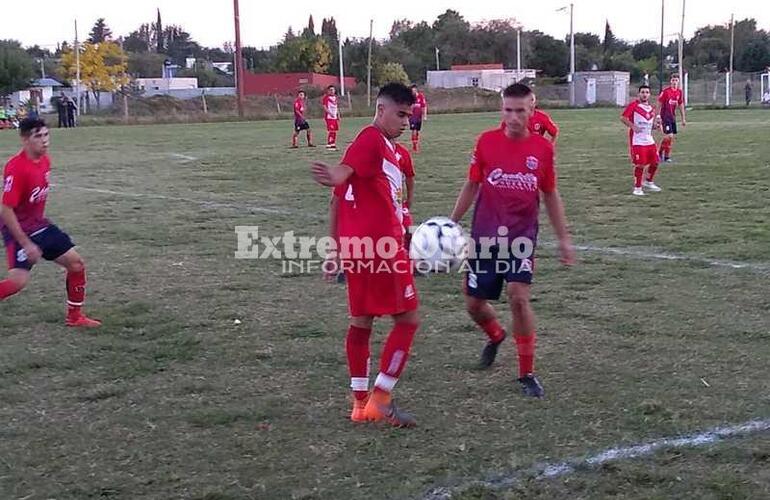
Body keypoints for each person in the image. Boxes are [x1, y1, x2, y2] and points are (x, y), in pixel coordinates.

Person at [449, 83, 575, 398]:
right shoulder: (486, 142)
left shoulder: (543, 150)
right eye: (508, 110)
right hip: (485, 236)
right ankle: (495, 335)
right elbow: (472, 185)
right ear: (501, 110)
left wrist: (563, 238)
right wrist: (450, 223)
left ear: (533, 110)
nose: (514, 117)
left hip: (521, 236)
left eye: (521, 110)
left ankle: (526, 373)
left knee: (518, 297)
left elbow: (550, 194)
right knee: (475, 304)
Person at [311, 83, 420, 427]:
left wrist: (334, 249)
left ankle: (359, 405)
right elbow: (341, 177)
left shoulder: (384, 148)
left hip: (358, 248)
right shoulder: (371, 140)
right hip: (382, 248)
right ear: (381, 108)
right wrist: (333, 174)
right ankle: (381, 399)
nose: (405, 121)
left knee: (361, 322)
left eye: (409, 115)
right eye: (400, 114)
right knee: (408, 319)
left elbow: (338, 199)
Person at [0, 118, 101, 327]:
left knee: (76, 264)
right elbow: (5, 209)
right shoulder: (17, 168)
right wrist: (26, 244)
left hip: (39, 225)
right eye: (38, 136)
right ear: (25, 139)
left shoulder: (45, 161)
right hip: (19, 229)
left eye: (47, 135)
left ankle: (75, 317)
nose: (45, 141)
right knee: (17, 283)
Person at [621, 85, 662, 196]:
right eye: (642, 92)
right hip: (638, 141)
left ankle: (648, 181)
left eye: (647, 92)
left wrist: (656, 126)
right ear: (639, 94)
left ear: (649, 95)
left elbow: (650, 124)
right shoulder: (634, 105)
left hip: (649, 140)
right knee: (640, 165)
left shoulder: (651, 108)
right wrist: (633, 126)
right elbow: (623, 118)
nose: (644, 94)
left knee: (655, 162)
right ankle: (637, 188)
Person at [657, 74, 686, 162]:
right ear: (670, 81)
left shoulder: (679, 92)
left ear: (678, 82)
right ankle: (665, 156)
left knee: (669, 137)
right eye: (673, 80)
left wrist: (683, 118)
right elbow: (659, 103)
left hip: (672, 117)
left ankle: (661, 154)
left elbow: (681, 105)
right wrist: (658, 116)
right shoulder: (666, 92)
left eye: (676, 80)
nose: (674, 82)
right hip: (665, 117)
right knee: (669, 136)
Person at [409, 85, 428, 153]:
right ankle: (415, 147)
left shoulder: (421, 96)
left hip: (419, 117)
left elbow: (424, 106)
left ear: (416, 90)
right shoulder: (410, 98)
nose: (413, 92)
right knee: (414, 130)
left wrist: (425, 115)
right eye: (412, 91)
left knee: (417, 131)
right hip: (412, 117)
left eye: (414, 90)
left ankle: (415, 144)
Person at [321, 85, 341, 150]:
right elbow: (324, 107)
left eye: (333, 90)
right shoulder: (326, 98)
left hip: (334, 117)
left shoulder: (335, 97)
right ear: (328, 91)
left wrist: (338, 115)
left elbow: (336, 107)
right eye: (331, 90)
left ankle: (333, 143)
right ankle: (329, 144)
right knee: (331, 130)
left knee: (334, 131)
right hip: (329, 117)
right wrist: (330, 113)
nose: (332, 91)